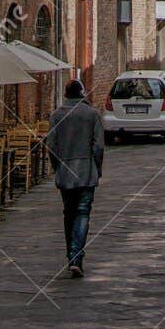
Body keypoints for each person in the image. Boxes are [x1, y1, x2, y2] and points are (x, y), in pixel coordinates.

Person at [45, 78, 105, 278]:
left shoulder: (56, 116)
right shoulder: (92, 114)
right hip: (86, 171)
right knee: (82, 213)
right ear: (82, 94)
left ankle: (72, 255)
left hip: (65, 171)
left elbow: (51, 146)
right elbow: (98, 146)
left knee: (69, 213)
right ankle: (75, 257)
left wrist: (57, 167)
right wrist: (97, 167)